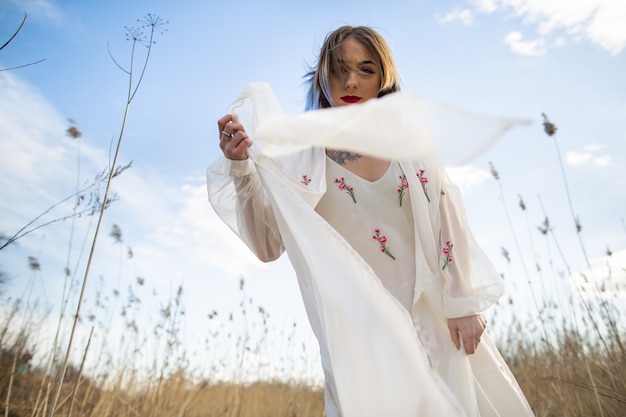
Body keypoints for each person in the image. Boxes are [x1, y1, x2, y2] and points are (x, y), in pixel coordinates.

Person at [208, 26, 534, 417]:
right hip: (358, 337)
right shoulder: (298, 159)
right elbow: (266, 245)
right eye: (339, 69)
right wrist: (240, 166)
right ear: (322, 76)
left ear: (384, 78)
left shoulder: (410, 145)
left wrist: (463, 302)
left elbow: (450, 216)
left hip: (431, 318)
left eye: (366, 69)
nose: (351, 81)